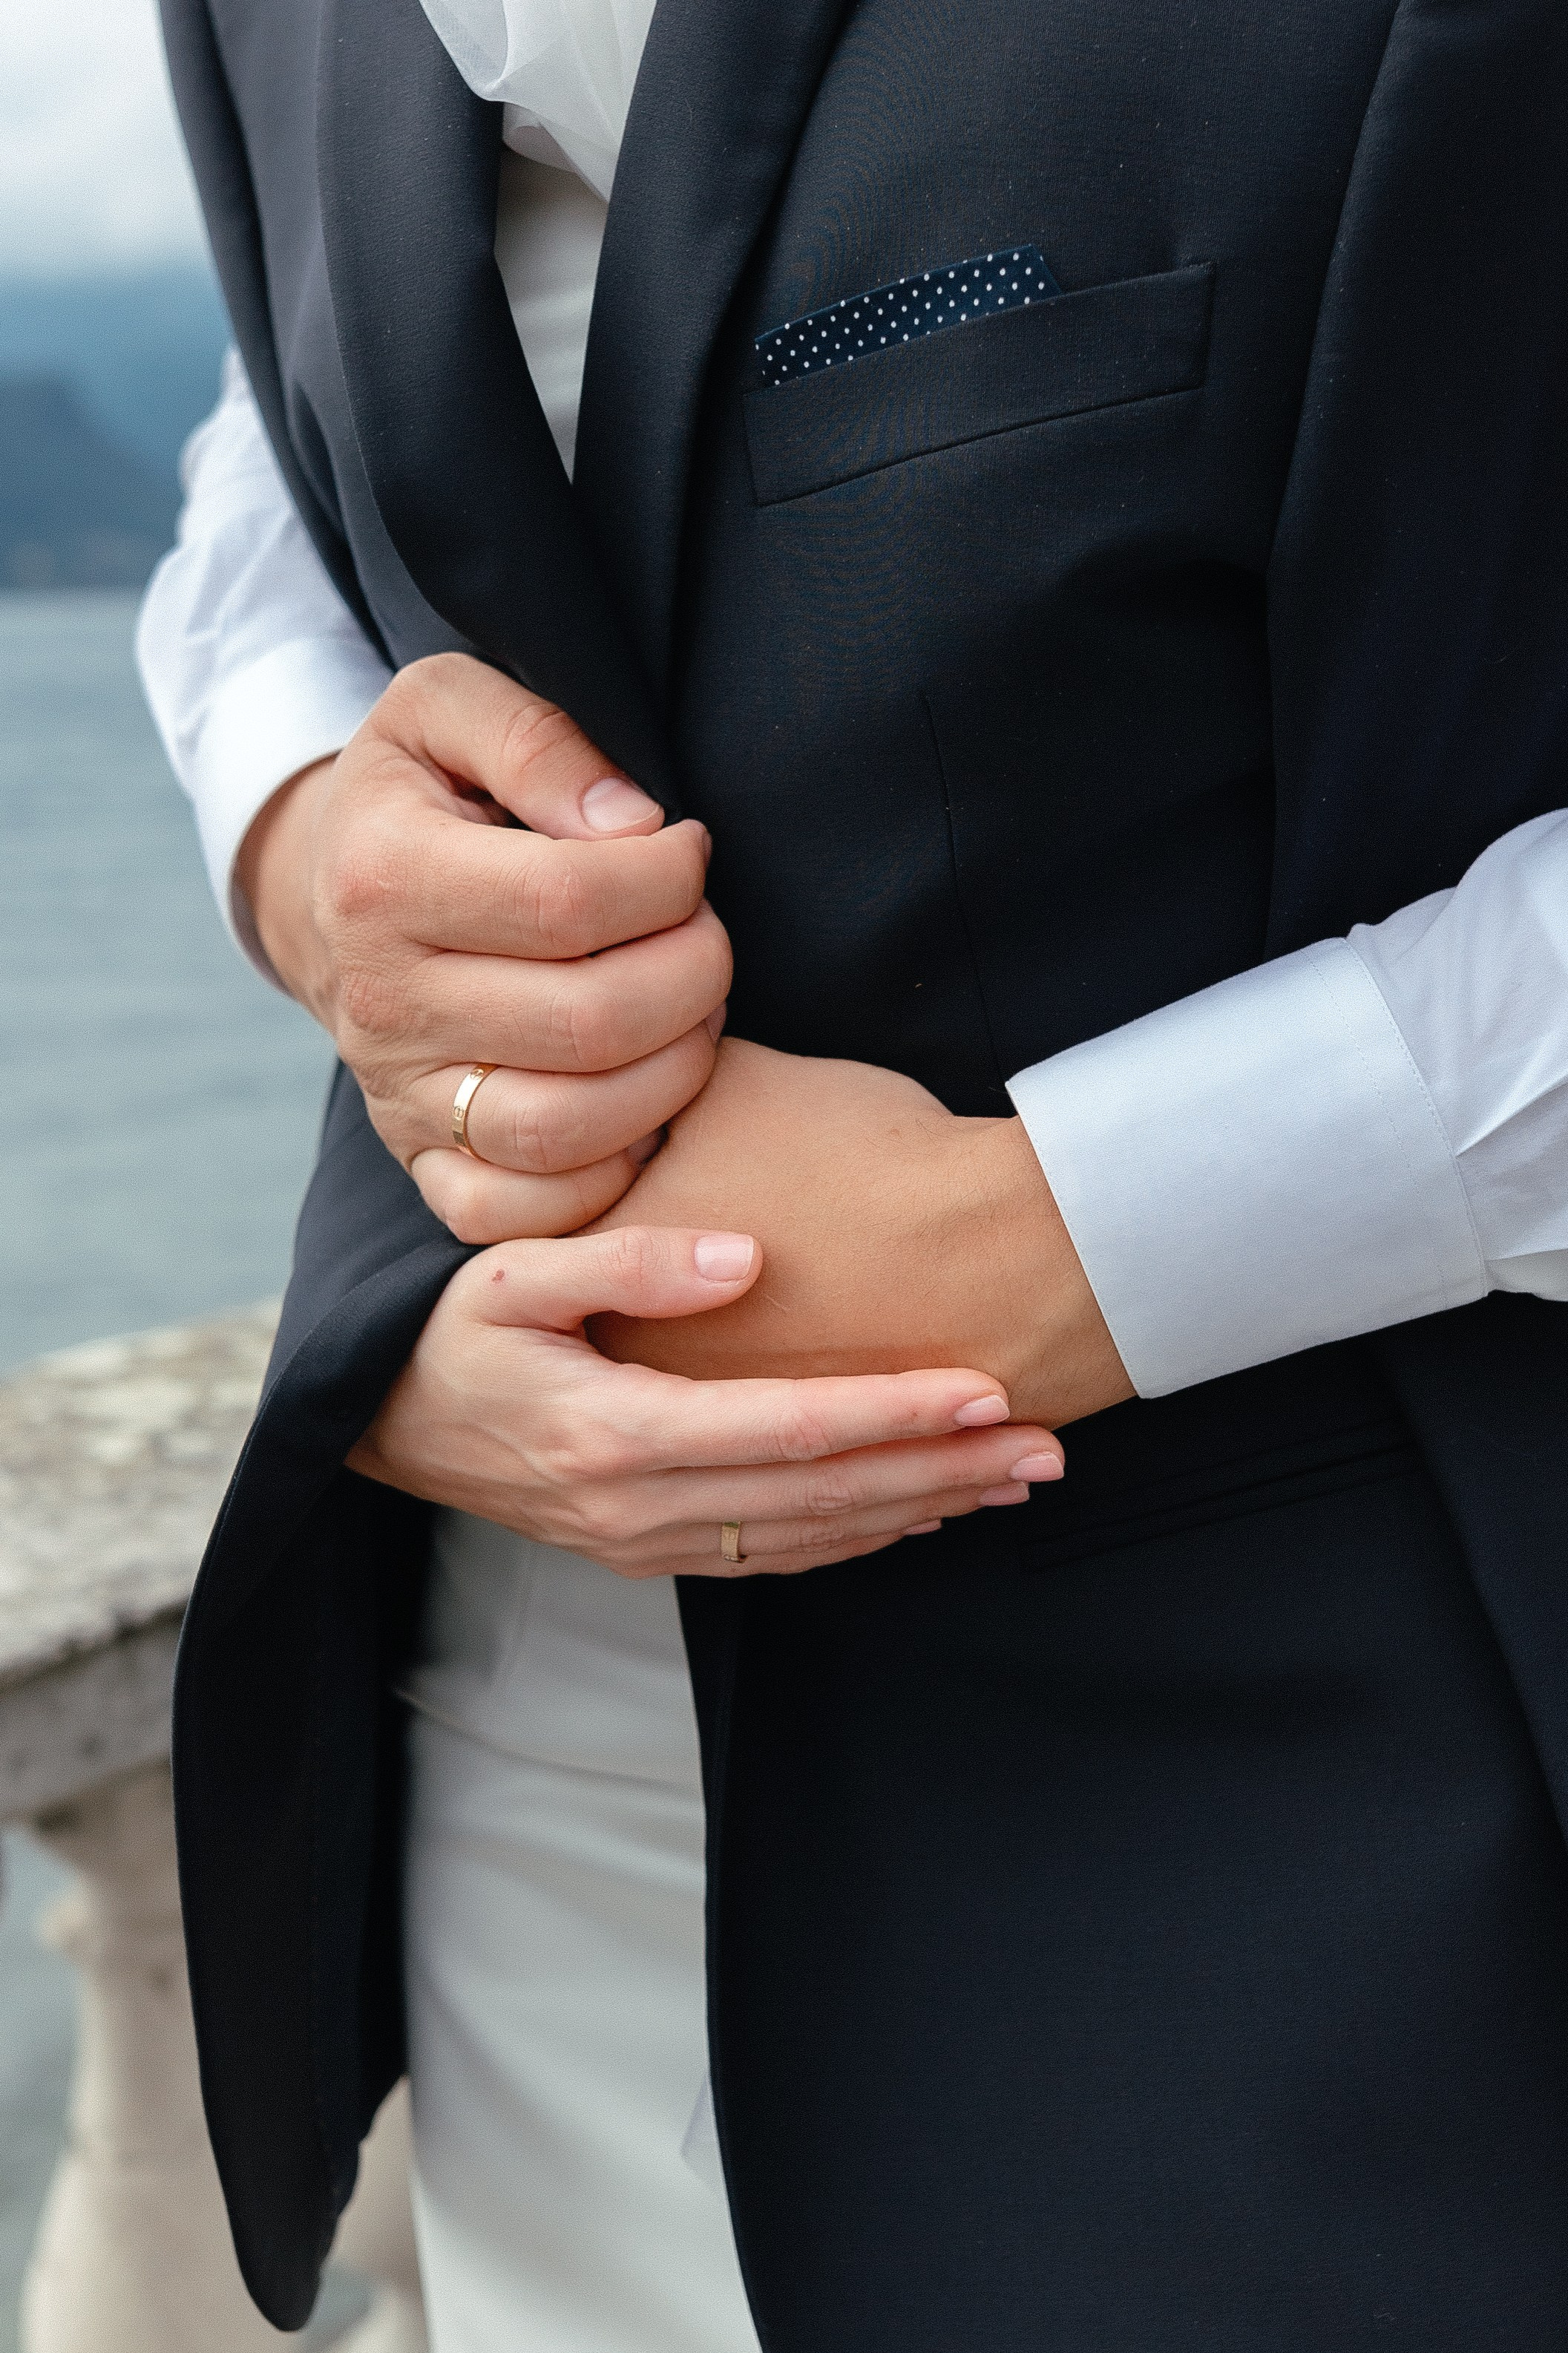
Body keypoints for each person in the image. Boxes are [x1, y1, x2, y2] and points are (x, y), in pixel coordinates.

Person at [140, 0, 1568, 2343]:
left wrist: (1086, 1229)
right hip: (519, 1821)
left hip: (1363, 1872)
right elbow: (273, 412)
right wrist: (304, 828)